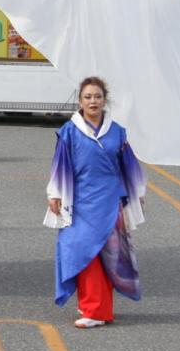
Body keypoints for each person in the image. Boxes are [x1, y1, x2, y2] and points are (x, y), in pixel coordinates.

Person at [44, 77, 146, 328]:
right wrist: (55, 193)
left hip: (110, 200)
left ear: (104, 100)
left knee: (106, 254)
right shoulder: (70, 130)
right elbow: (60, 165)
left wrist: (137, 191)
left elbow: (129, 164)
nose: (93, 101)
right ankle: (94, 306)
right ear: (80, 101)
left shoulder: (117, 131)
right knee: (79, 249)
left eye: (97, 97)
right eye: (88, 97)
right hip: (79, 200)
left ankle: (96, 311)